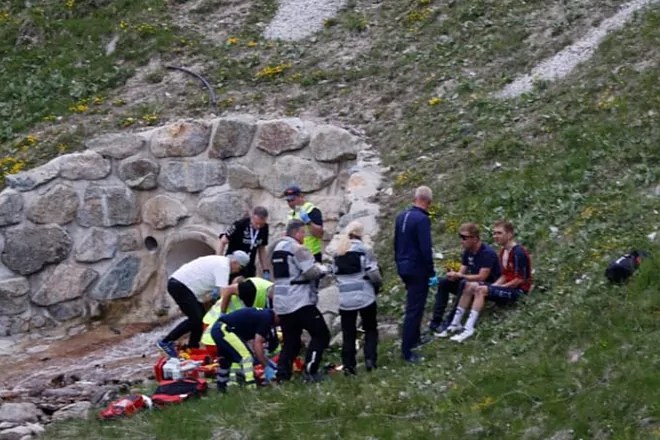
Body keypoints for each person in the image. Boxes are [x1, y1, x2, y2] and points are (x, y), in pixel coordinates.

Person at [447, 220, 533, 342]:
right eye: (494, 233)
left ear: (509, 234)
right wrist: (493, 287)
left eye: (499, 233)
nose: (495, 236)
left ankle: (469, 328)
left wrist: (496, 288)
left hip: (519, 291)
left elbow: (519, 279)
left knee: (481, 289)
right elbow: (504, 275)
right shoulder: (503, 251)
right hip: (507, 286)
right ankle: (455, 323)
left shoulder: (518, 252)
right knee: (469, 285)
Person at [156, 251, 250, 358]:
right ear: (235, 262)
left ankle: (193, 347)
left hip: (184, 287)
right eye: (240, 267)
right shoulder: (223, 267)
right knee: (195, 319)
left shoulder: (220, 262)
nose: (238, 271)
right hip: (180, 285)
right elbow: (224, 294)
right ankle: (166, 342)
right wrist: (224, 312)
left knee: (201, 319)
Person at [271, 219, 330, 382]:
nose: (304, 236)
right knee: (321, 335)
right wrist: (324, 269)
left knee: (291, 341)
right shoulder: (298, 248)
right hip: (299, 300)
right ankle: (310, 371)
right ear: (297, 233)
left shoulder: (277, 249)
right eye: (303, 232)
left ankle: (282, 376)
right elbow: (311, 272)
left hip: (282, 303)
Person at [429, 222, 501, 337]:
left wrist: (461, 276)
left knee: (463, 283)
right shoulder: (468, 252)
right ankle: (436, 321)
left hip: (487, 286)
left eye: (464, 238)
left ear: (475, 238)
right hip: (471, 285)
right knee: (444, 283)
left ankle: (451, 321)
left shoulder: (487, 253)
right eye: (460, 237)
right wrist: (454, 275)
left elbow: (482, 277)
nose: (462, 241)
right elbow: (462, 272)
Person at [332, 221, 382, 375]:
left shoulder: (338, 252)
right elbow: (373, 272)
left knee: (348, 333)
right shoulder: (365, 249)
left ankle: (348, 366)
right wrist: (379, 283)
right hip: (364, 295)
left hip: (345, 299)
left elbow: (333, 273)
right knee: (370, 329)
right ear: (360, 234)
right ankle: (370, 360)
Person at [394, 186, 437, 363]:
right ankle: (407, 350)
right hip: (417, 267)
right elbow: (425, 248)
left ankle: (416, 338)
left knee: (413, 304)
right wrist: (431, 271)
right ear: (428, 201)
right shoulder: (422, 220)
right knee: (415, 308)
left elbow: (396, 243)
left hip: (403, 265)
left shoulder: (401, 216)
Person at [210, 307, 279, 393]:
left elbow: (253, 343)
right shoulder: (267, 318)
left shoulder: (264, 315)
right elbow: (257, 343)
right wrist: (266, 367)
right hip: (224, 329)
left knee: (226, 360)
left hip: (220, 329)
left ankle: (221, 388)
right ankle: (251, 386)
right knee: (246, 356)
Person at [200, 277, 274, 350]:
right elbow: (228, 289)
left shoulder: (264, 293)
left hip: (222, 326)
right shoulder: (251, 289)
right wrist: (222, 314)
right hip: (214, 325)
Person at [217, 206, 272, 279]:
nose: (258, 226)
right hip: (234, 266)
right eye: (256, 223)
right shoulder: (240, 224)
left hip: (249, 267)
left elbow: (261, 248)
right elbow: (223, 241)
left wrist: (266, 270)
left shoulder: (264, 228)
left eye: (261, 224)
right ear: (252, 218)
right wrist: (219, 262)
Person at [284, 185, 324, 263]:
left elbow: (319, 234)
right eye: (288, 201)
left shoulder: (312, 210)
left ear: (300, 197)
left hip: (311, 254)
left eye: (292, 200)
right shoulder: (291, 213)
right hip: (296, 255)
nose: (290, 203)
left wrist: (308, 222)